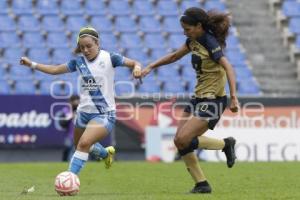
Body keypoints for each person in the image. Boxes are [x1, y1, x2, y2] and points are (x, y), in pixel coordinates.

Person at [20, 26, 142, 175]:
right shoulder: (78, 62)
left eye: (89, 46)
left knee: (84, 144)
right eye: (82, 47)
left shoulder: (110, 58)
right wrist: (31, 64)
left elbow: (135, 62)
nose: (85, 50)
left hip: (104, 113)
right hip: (83, 113)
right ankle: (105, 154)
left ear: (97, 43)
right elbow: (54, 70)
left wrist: (137, 68)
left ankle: (70, 178)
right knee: (79, 144)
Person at [142, 7, 239, 194]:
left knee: (184, 139)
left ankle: (225, 144)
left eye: (187, 29)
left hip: (213, 100)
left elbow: (229, 68)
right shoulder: (192, 41)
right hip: (197, 97)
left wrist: (234, 97)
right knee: (180, 142)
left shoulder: (210, 43)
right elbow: (173, 56)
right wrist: (151, 66)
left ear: (199, 26)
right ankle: (201, 184)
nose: (184, 32)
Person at [55, 95, 80, 162]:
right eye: (75, 102)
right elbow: (62, 124)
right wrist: (69, 118)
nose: (77, 104)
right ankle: (64, 163)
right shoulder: (66, 111)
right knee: (67, 149)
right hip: (70, 135)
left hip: (81, 134)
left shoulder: (82, 111)